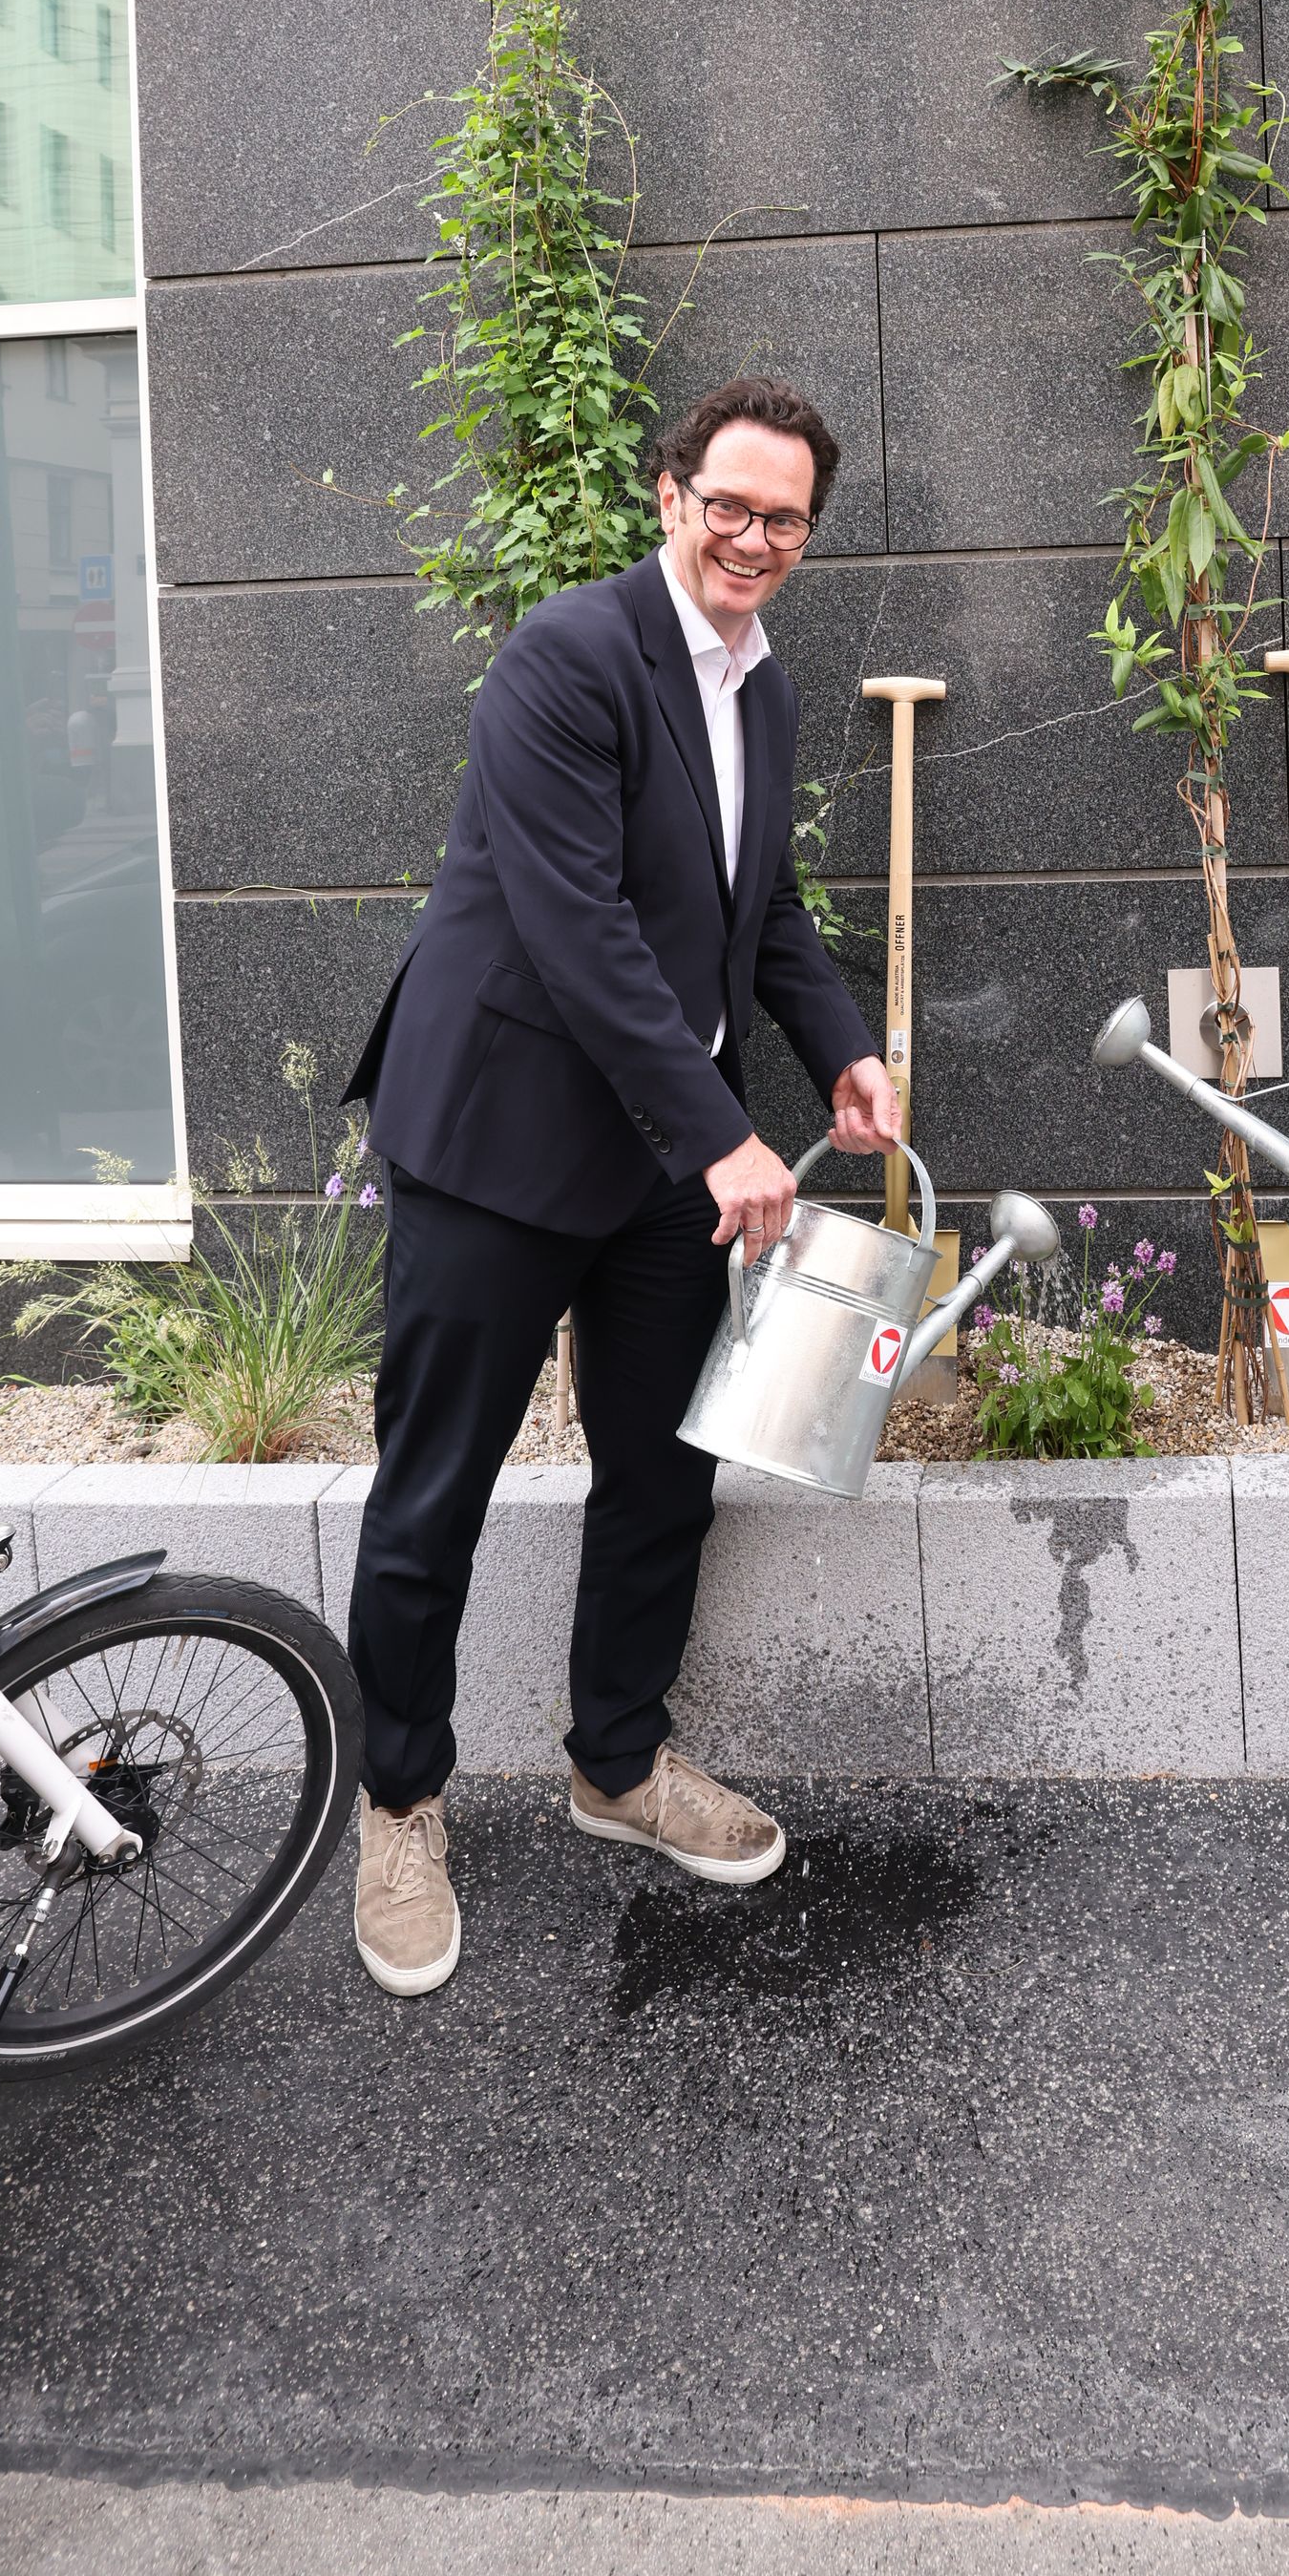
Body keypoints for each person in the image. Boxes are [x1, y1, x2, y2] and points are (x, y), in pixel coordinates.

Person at [340, 377, 899, 1997]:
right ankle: (400, 1802)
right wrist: (724, 1133)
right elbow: (578, 926)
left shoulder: (762, 690)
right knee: (431, 1488)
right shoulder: (570, 655)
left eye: (784, 518)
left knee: (663, 1472)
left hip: (666, 1159)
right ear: (669, 496)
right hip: (502, 1145)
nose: (752, 538)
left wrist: (840, 1051)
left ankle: (618, 1763)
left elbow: (757, 912)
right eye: (727, 503)